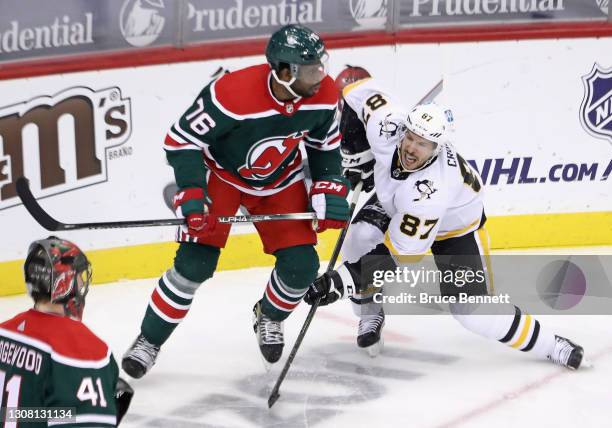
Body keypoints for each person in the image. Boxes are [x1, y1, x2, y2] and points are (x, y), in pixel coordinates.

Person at [305, 77, 588, 370]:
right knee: (359, 236)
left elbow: (396, 256)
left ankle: (552, 345)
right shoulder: (387, 125)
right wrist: (354, 149)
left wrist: (339, 282)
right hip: (398, 203)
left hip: (454, 228)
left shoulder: (431, 192)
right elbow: (354, 91)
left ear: (438, 148)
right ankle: (370, 312)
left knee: (473, 312)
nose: (412, 149)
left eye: (423, 145)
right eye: (411, 137)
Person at [122, 24, 350, 378]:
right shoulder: (231, 94)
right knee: (194, 265)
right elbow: (181, 141)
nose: (320, 76)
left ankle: (269, 316)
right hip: (223, 177)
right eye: (310, 70)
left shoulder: (324, 95)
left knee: (302, 267)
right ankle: (148, 341)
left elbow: (324, 146)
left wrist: (328, 185)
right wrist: (194, 194)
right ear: (284, 72)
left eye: (321, 65)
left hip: (280, 180)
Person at [0, 236, 133, 427]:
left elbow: (16, 414)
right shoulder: (85, 352)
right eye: (78, 276)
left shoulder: (4, 332)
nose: (82, 283)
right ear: (64, 283)